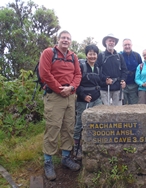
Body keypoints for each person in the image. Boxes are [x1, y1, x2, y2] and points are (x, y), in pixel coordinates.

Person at [39, 30, 82, 180]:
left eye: (68, 38)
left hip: (70, 95)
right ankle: (48, 161)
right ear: (58, 40)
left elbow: (78, 75)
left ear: (70, 41)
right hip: (54, 96)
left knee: (68, 127)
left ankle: (65, 157)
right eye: (63, 38)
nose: (65, 40)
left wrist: (71, 88)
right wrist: (59, 89)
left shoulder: (73, 57)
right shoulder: (48, 53)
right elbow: (45, 74)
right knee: (53, 127)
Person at [73, 44, 104, 160]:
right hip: (83, 100)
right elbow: (76, 83)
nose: (92, 56)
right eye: (90, 54)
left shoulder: (98, 68)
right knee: (80, 123)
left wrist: (107, 81)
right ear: (86, 55)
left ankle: (95, 143)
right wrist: (83, 95)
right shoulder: (81, 67)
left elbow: (100, 82)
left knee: (99, 120)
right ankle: (77, 147)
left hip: (96, 99)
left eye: (94, 54)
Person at [96, 33, 127, 106]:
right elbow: (97, 71)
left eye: (113, 41)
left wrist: (123, 80)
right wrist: (105, 79)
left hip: (117, 88)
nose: (111, 42)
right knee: (105, 112)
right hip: (105, 89)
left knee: (118, 112)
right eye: (110, 41)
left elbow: (124, 70)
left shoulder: (119, 56)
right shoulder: (101, 56)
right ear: (105, 42)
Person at [121, 39, 143, 104]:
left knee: (134, 107)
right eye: (125, 45)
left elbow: (141, 69)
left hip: (134, 85)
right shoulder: (119, 56)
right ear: (122, 46)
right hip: (123, 86)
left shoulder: (137, 55)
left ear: (131, 45)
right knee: (121, 106)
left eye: (129, 44)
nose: (127, 46)